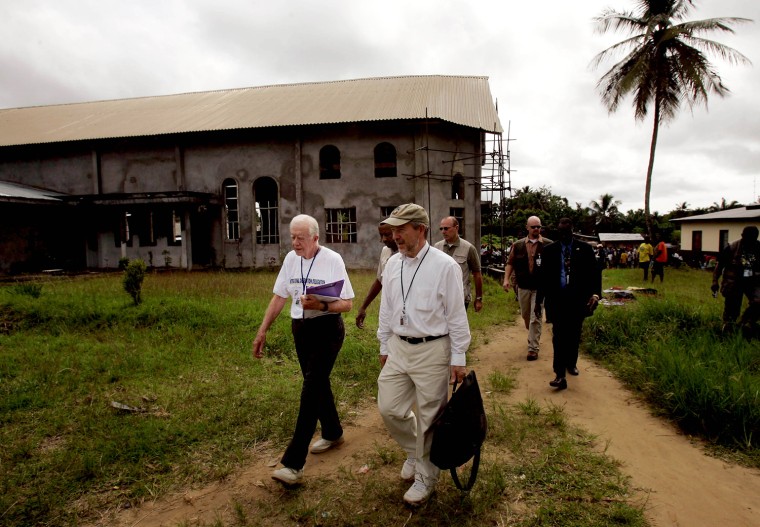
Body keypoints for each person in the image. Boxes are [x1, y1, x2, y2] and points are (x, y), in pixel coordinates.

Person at [376, 203, 470, 505]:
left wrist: (459, 356)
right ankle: (415, 453)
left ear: (420, 229)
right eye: (393, 230)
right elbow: (387, 308)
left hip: (433, 349)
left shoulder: (445, 266)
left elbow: (457, 315)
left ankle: (426, 478)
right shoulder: (393, 264)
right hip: (399, 347)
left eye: (401, 229)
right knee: (389, 407)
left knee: (430, 416)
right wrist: (383, 344)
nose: (396, 235)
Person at [252, 214, 355, 485]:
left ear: (315, 238)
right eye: (292, 237)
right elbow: (279, 296)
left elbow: (347, 304)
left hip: (327, 329)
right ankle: (333, 432)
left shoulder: (332, 260)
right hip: (301, 330)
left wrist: (321, 306)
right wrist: (263, 330)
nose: (295, 243)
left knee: (310, 390)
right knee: (317, 384)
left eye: (300, 238)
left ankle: (293, 464)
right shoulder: (290, 260)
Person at [536, 218, 602, 390]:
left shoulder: (585, 249)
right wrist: (538, 302)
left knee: (574, 334)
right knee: (558, 336)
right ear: (558, 232)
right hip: (557, 300)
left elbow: (595, 274)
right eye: (561, 232)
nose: (564, 235)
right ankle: (559, 375)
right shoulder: (550, 251)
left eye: (567, 232)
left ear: (573, 231)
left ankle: (571, 363)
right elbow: (543, 278)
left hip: (578, 300)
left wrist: (595, 294)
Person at [502, 216, 552, 361]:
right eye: (534, 227)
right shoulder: (517, 245)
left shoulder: (548, 245)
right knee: (526, 315)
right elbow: (510, 263)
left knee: (535, 316)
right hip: (523, 286)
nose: (536, 229)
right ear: (527, 228)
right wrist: (506, 279)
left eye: (539, 227)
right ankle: (531, 334)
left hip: (540, 287)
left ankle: (533, 349)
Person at [711, 225, 760, 337]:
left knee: (758, 302)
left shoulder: (758, 248)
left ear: (755, 237)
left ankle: (746, 323)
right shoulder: (732, 247)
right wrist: (715, 281)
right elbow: (719, 266)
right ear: (742, 236)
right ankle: (728, 332)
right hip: (734, 282)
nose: (747, 240)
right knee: (732, 311)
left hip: (752, 281)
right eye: (745, 237)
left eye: (751, 238)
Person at [434, 216, 483, 311]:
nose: (443, 231)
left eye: (446, 228)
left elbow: (477, 274)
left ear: (456, 228)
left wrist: (478, 298)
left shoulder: (469, 248)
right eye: (441, 228)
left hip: (460, 298)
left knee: (458, 326)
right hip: (440, 298)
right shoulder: (437, 247)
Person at [355, 222, 398, 328]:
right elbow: (380, 280)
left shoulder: (408, 253)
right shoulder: (385, 251)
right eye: (381, 235)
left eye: (387, 235)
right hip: (387, 309)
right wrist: (363, 307)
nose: (383, 239)